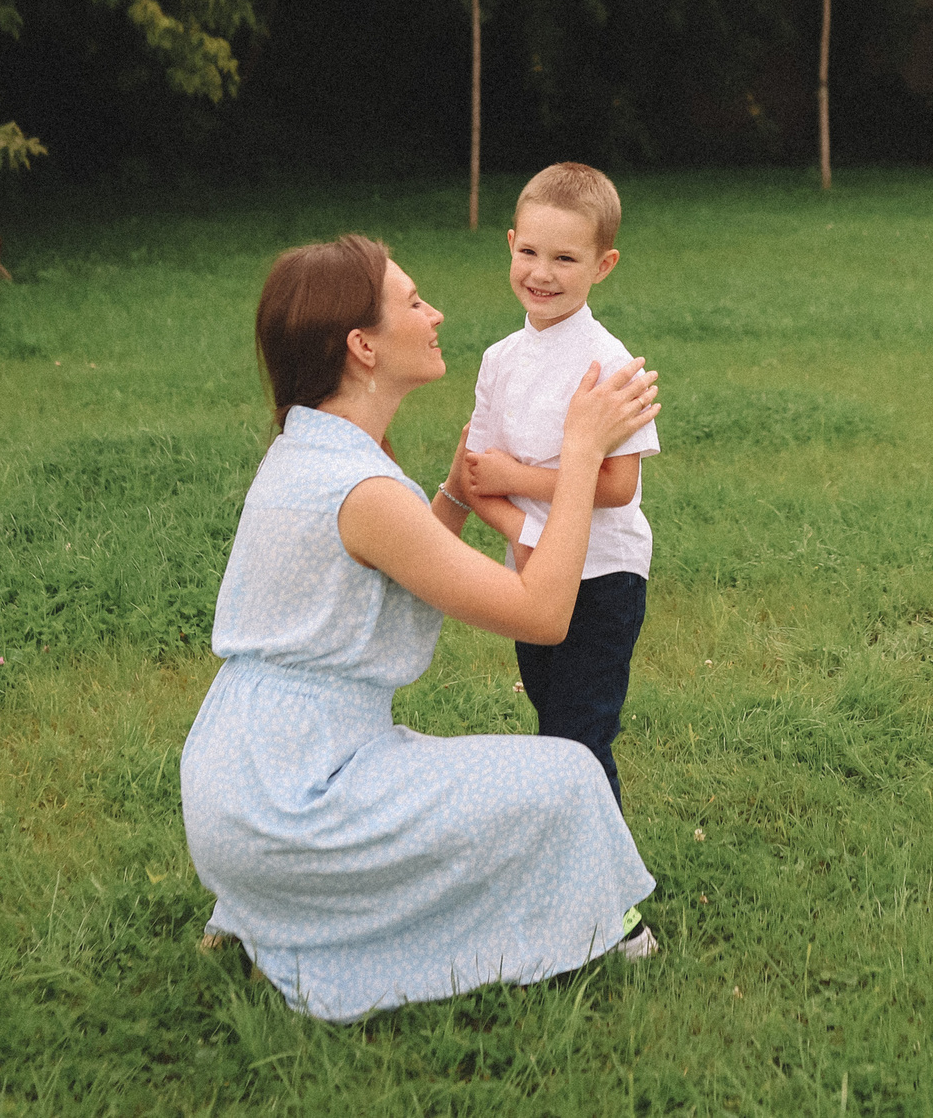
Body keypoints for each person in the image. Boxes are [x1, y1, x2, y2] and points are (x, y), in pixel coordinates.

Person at [179, 235, 662, 1022]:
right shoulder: (361, 488)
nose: (435, 314)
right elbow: (544, 612)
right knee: (570, 777)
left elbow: (402, 559)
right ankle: (594, 928)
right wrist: (580, 453)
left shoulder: (310, 449)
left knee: (511, 780)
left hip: (246, 783)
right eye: (412, 302)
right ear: (363, 347)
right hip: (292, 804)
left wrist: (456, 493)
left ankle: (275, 908)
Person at [441, 163, 660, 807]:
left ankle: (604, 867)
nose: (542, 273)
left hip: (603, 574)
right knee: (551, 717)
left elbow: (617, 486)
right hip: (531, 577)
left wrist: (518, 479)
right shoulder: (499, 359)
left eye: (565, 258)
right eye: (530, 252)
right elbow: (474, 475)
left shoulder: (609, 364)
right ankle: (563, 846)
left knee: (579, 737)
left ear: (602, 265)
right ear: (510, 244)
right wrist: (522, 530)